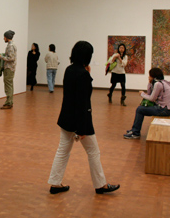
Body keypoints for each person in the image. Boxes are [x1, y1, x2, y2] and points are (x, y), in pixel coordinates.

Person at [48, 41, 120, 195]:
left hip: (66, 118)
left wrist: (88, 73)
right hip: (80, 122)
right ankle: (101, 185)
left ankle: (55, 183)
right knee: (93, 152)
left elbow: (74, 95)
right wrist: (81, 129)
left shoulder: (69, 70)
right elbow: (83, 102)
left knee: (62, 151)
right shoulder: (83, 74)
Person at [123, 68, 170, 139]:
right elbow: (150, 94)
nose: (148, 77)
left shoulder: (158, 84)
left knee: (140, 109)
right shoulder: (162, 82)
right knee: (141, 108)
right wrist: (150, 83)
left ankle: (135, 133)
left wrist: (142, 94)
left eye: (150, 75)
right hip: (165, 108)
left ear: (153, 76)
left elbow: (151, 98)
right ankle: (134, 130)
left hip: (164, 110)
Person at [0, 30, 17, 109]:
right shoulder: (12, 45)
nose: (3, 38)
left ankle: (9, 103)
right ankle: (9, 102)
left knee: (8, 85)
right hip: (10, 68)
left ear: (7, 37)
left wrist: (0, 57)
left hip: (9, 68)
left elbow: (11, 58)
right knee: (9, 85)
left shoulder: (10, 46)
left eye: (4, 37)